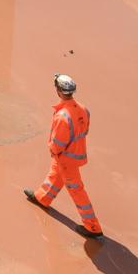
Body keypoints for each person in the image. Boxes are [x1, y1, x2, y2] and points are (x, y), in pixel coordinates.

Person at [26, 73, 103, 239]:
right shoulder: (83, 109)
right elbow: (85, 130)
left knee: (76, 190)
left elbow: (58, 143)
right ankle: (42, 197)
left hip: (66, 157)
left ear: (58, 91)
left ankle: (92, 226)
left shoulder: (62, 116)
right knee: (55, 175)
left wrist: (53, 150)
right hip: (75, 154)